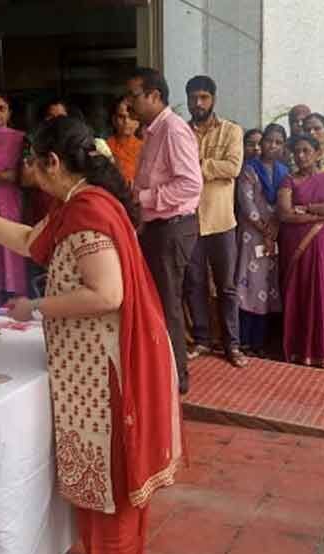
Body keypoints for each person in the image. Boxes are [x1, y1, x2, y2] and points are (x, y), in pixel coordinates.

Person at [0, 116, 183, 554]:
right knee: (109, 482)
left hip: (106, 370)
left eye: (32, 162)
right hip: (96, 364)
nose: (28, 170)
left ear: (53, 163)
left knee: (112, 483)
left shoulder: (87, 210)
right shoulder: (79, 204)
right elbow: (31, 242)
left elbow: (106, 292)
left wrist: (34, 307)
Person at [126, 67, 203, 393]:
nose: (129, 103)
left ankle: (176, 380)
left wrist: (143, 197)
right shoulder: (153, 131)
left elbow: (190, 184)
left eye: (134, 95)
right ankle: (163, 372)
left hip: (173, 228)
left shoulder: (172, 130)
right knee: (157, 303)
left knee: (168, 304)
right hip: (157, 227)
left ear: (154, 96)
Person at [181, 75, 247, 368]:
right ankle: (203, 339)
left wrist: (196, 166)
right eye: (193, 98)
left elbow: (233, 167)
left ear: (214, 99)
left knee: (227, 286)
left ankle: (232, 344)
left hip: (222, 222)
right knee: (193, 284)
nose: (198, 103)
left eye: (204, 97)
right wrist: (209, 169)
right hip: (189, 221)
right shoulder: (180, 133)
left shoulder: (232, 131)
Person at [277, 134, 324, 367]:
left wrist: (307, 209)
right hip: (296, 243)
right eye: (297, 151)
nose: (301, 156)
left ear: (318, 152)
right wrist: (322, 213)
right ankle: (299, 350)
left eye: (306, 150)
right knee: (299, 291)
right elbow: (285, 213)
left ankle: (323, 350)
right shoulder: (288, 180)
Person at [236, 123, 287, 356]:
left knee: (269, 284)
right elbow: (246, 203)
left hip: (274, 235)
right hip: (251, 234)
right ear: (261, 142)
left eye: (278, 142)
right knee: (249, 285)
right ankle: (245, 340)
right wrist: (265, 228)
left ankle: (262, 341)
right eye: (269, 140)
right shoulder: (249, 169)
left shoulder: (284, 172)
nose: (272, 146)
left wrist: (274, 227)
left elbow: (285, 203)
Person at [0, 89, 28, 305]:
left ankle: (13, 292)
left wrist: (7, 175)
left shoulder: (19, 138)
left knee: (10, 241)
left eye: (2, 108)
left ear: (9, 112)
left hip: (9, 197)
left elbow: (27, 171)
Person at [106, 96, 143, 186]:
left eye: (131, 117)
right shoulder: (105, 148)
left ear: (138, 122)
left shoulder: (146, 149)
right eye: (121, 117)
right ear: (114, 120)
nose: (126, 121)